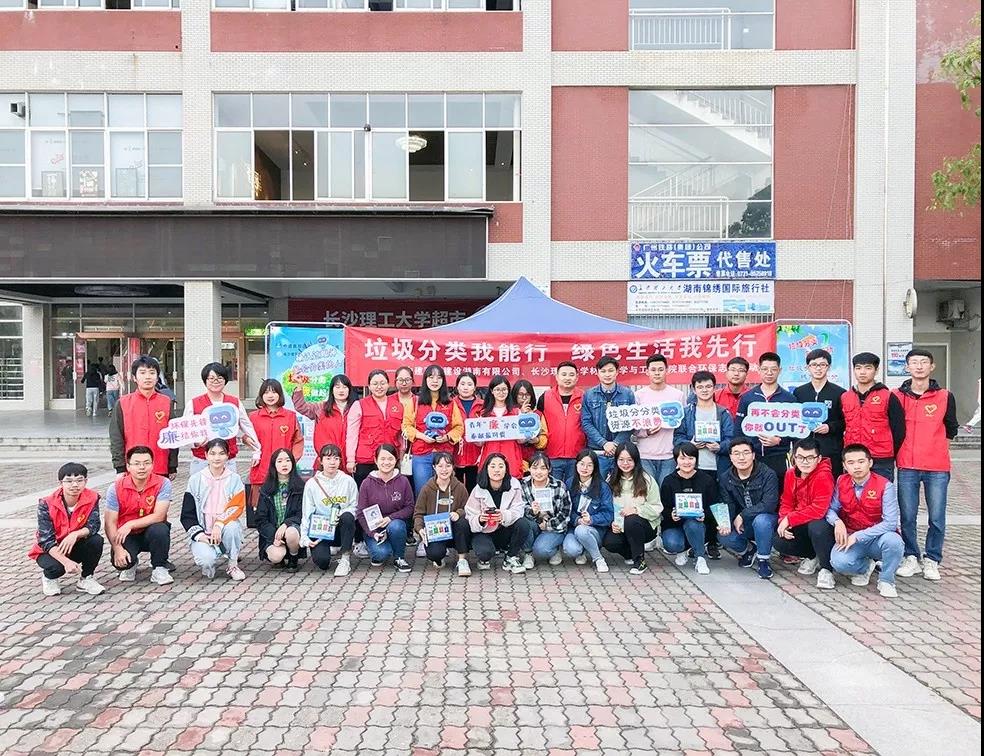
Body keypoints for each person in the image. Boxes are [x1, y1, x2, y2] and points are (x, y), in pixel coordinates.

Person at [894, 348, 958, 581]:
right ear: (907, 367)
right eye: (914, 362)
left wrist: (937, 448)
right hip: (907, 465)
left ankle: (932, 559)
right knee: (907, 516)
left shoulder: (945, 396)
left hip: (937, 467)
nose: (919, 366)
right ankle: (911, 556)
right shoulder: (896, 396)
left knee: (937, 517)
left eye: (924, 362)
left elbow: (951, 427)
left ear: (932, 367)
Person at [827, 444, 905, 598]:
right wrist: (837, 521)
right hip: (851, 535)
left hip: (877, 537)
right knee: (838, 562)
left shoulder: (885, 485)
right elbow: (830, 509)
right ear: (844, 466)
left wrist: (859, 536)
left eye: (861, 461)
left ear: (870, 463)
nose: (856, 466)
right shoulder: (841, 481)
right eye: (851, 463)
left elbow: (890, 523)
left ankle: (886, 580)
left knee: (894, 542)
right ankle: (866, 567)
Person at [29, 462, 106, 596]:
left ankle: (86, 579)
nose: (74, 485)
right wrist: (66, 562)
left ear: (86, 481)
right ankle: (49, 578)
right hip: (50, 549)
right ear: (61, 483)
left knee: (96, 540)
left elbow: (94, 525)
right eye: (69, 481)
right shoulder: (46, 504)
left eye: (79, 480)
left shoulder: (92, 498)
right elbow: (45, 540)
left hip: (74, 544)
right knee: (57, 568)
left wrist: (75, 534)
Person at [104, 445, 174, 585]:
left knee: (160, 529)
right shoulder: (115, 488)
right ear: (128, 466)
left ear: (152, 465)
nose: (142, 467)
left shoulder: (163, 483)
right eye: (136, 463)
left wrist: (131, 524)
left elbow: (159, 515)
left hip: (150, 531)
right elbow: (109, 522)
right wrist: (117, 549)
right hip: (126, 535)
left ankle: (159, 568)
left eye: (146, 463)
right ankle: (132, 563)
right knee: (122, 564)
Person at [773, 438, 837, 589]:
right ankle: (812, 556)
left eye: (810, 458)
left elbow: (819, 509)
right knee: (779, 540)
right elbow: (786, 501)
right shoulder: (790, 474)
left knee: (817, 527)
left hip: (822, 522)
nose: (805, 462)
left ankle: (827, 569)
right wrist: (784, 520)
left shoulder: (824, 475)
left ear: (818, 458)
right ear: (794, 457)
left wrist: (790, 519)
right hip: (800, 521)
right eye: (800, 457)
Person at [181, 438, 247, 581]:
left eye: (221, 453)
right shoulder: (195, 480)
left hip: (224, 527)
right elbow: (187, 515)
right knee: (206, 560)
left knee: (233, 527)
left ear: (227, 455)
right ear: (206, 455)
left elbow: (236, 506)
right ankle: (209, 560)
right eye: (212, 453)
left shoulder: (235, 479)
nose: (217, 458)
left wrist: (219, 524)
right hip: (203, 530)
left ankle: (233, 564)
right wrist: (200, 536)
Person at [716, 436, 779, 579]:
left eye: (746, 452)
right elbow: (727, 503)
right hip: (743, 524)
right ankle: (749, 550)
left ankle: (763, 561)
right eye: (736, 453)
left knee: (761, 521)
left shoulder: (768, 474)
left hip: (768, 519)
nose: (741, 457)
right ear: (730, 457)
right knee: (723, 536)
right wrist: (725, 522)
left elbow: (769, 504)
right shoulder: (726, 477)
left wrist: (743, 515)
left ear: (753, 455)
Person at [736, 352, 798, 493]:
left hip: (779, 456)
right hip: (754, 457)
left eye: (773, 369)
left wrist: (779, 440)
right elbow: (739, 430)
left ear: (779, 370)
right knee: (754, 494)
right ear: (759, 370)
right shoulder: (747, 398)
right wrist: (745, 452)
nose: (769, 373)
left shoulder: (789, 399)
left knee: (780, 493)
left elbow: (796, 432)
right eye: (765, 369)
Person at [184, 362, 260, 476]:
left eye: (220, 378)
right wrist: (195, 442)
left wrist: (256, 450)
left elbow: (246, 426)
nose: (216, 381)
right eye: (211, 378)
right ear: (205, 380)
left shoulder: (234, 402)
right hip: (202, 460)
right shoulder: (193, 404)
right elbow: (185, 431)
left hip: (228, 461)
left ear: (225, 380)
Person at [109, 355, 178, 479]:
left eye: (152, 373)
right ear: (134, 377)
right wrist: (120, 467)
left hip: (160, 466)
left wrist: (172, 465)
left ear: (157, 377)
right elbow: (116, 437)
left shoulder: (166, 402)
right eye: (142, 372)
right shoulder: (123, 403)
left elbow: (173, 434)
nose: (147, 377)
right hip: (132, 468)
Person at [247, 379, 304, 528]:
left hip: (283, 473)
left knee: (284, 508)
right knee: (261, 512)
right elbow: (246, 437)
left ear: (280, 394)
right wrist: (247, 441)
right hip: (261, 469)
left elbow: (298, 441)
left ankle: (284, 534)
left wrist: (290, 462)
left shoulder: (290, 416)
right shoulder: (253, 417)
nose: (270, 395)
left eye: (274, 392)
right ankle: (266, 538)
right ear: (261, 395)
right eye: (266, 392)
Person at [841, 352, 906, 481]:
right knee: (853, 493)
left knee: (881, 492)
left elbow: (899, 430)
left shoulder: (888, 396)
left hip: (881, 459)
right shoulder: (845, 397)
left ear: (876, 371)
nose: (862, 372)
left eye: (868, 368)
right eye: (858, 368)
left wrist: (889, 452)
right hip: (853, 458)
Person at [464, 453, 533, 574]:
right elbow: (469, 514)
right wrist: (480, 519)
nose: (497, 470)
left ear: (506, 469)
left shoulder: (514, 485)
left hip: (504, 529)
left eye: (501, 466)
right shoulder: (478, 489)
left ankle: (511, 557)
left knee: (523, 524)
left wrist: (504, 515)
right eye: (493, 466)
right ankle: (484, 558)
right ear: (486, 469)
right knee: (484, 553)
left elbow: (518, 509)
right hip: (485, 531)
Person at [602, 441, 662, 574]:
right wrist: (612, 523)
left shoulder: (647, 480)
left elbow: (657, 507)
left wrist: (636, 510)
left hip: (644, 526)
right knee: (609, 542)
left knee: (631, 519)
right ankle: (630, 553)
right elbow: (606, 506)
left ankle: (639, 561)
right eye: (621, 459)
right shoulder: (611, 480)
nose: (625, 463)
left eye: (629, 460)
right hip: (619, 525)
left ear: (636, 460)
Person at [403, 364, 464, 494]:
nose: (435, 381)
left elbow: (459, 427)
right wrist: (421, 436)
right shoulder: (414, 402)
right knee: (422, 492)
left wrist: (447, 437)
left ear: (443, 380)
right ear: (425, 379)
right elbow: (406, 426)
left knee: (445, 493)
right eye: (431, 377)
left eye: (439, 377)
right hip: (421, 455)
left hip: (444, 456)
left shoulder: (450, 403)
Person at [301, 444, 361, 576]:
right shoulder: (312, 484)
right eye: (328, 458)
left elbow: (355, 507)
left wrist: (340, 514)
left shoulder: (348, 481)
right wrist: (304, 537)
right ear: (321, 461)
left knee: (347, 516)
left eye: (336, 458)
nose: (332, 462)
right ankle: (329, 550)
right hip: (322, 530)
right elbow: (307, 513)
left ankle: (345, 558)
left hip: (341, 528)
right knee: (322, 562)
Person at [659, 442, 718, 575]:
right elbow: (663, 506)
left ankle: (700, 557)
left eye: (691, 458)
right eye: (682, 458)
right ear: (676, 460)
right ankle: (682, 550)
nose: (687, 462)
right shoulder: (669, 480)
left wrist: (705, 514)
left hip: (699, 525)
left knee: (693, 523)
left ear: (696, 459)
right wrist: (670, 514)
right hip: (675, 525)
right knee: (672, 543)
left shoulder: (706, 480)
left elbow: (714, 505)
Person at [357, 443, 414, 572]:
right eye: (382, 459)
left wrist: (390, 518)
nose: (386, 462)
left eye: (390, 459)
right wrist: (372, 533)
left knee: (396, 526)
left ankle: (399, 557)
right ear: (375, 460)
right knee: (381, 554)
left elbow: (410, 507)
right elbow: (360, 513)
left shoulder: (403, 481)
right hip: (374, 529)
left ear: (396, 460)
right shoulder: (367, 483)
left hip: (395, 524)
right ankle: (381, 548)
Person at [412, 451, 471, 575]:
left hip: (455, 531)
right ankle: (439, 559)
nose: (444, 470)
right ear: (434, 467)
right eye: (440, 466)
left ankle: (462, 560)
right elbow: (418, 513)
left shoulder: (460, 487)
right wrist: (420, 529)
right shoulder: (427, 489)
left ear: (453, 467)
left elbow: (468, 509)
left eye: (448, 466)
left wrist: (458, 513)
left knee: (462, 522)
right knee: (435, 553)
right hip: (436, 532)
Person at [793, 349, 847, 478]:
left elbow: (845, 421)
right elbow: (793, 419)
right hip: (804, 451)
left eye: (823, 365)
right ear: (808, 367)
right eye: (814, 365)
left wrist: (830, 427)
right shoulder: (799, 392)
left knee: (830, 483)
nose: (818, 368)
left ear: (829, 367)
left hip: (830, 450)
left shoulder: (839, 393)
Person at [346, 370, 405, 486]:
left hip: (390, 460)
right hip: (366, 459)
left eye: (382, 383)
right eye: (375, 383)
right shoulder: (359, 405)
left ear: (388, 384)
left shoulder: (398, 406)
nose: (379, 387)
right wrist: (350, 459)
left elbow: (401, 435)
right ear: (369, 386)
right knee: (365, 492)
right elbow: (352, 435)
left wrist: (401, 455)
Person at [634, 354, 686, 486]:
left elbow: (683, 425)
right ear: (647, 372)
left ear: (667, 370)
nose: (657, 373)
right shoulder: (638, 396)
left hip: (669, 455)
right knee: (648, 492)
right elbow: (632, 426)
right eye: (653, 370)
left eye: (660, 369)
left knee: (666, 492)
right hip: (644, 455)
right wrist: (646, 431)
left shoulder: (678, 395)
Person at [581, 356, 636, 479]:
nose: (607, 374)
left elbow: (631, 422)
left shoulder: (627, 394)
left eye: (611, 370)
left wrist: (615, 444)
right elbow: (586, 423)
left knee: (622, 485)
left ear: (617, 372)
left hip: (622, 451)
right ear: (597, 373)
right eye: (603, 371)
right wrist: (604, 443)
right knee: (598, 485)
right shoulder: (589, 395)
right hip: (597, 450)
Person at [561, 450, 613, 573]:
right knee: (571, 549)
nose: (585, 468)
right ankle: (583, 551)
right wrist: (577, 520)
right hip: (575, 527)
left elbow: (609, 514)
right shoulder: (569, 483)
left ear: (595, 467)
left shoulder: (603, 487)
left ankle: (598, 558)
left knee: (582, 531)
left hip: (594, 530)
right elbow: (565, 509)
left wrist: (591, 520)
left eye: (589, 465)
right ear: (576, 465)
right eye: (582, 464)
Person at [519, 451, 572, 567]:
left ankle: (554, 549)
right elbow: (520, 507)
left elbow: (565, 513)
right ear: (529, 468)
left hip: (554, 526)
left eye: (543, 468)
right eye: (535, 468)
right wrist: (532, 511)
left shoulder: (559, 486)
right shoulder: (523, 484)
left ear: (549, 469)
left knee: (541, 550)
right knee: (522, 522)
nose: (538, 472)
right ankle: (528, 553)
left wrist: (547, 525)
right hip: (534, 523)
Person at [292, 373, 354, 472]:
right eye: (337, 387)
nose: (341, 390)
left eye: (344, 387)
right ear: (332, 390)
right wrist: (299, 387)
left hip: (349, 464)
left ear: (349, 390)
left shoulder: (356, 409)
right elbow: (302, 407)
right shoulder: (321, 408)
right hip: (325, 462)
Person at [255, 448, 304, 570]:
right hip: (273, 533)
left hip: (292, 529)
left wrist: (286, 524)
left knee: (291, 532)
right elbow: (261, 519)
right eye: (280, 461)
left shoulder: (300, 487)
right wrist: (273, 536)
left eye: (287, 460)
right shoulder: (266, 489)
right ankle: (280, 556)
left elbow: (301, 514)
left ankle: (293, 557)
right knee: (276, 556)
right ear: (274, 465)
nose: (284, 464)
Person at [537, 361, 586, 484]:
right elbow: (538, 423)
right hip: (552, 455)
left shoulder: (585, 397)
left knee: (575, 490)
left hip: (577, 456)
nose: (567, 378)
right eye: (564, 374)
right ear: (557, 377)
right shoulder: (545, 397)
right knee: (553, 489)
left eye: (571, 375)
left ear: (577, 377)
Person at [475, 375, 524, 476]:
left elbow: (521, 440)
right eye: (497, 389)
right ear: (492, 391)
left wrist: (526, 434)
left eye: (504, 389)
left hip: (511, 456)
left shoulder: (516, 412)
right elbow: (480, 443)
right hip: (490, 456)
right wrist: (472, 436)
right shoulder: (484, 414)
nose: (501, 392)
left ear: (508, 390)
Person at [452, 372, 483, 491]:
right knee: (457, 489)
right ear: (457, 386)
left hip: (476, 454)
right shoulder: (450, 404)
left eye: (470, 384)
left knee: (474, 488)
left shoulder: (483, 405)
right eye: (462, 384)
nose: (466, 387)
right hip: (456, 453)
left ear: (475, 387)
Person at [513, 379, 549, 473]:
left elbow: (544, 437)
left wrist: (537, 440)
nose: (524, 398)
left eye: (527, 395)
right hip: (515, 457)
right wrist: (520, 413)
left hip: (533, 460)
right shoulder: (510, 414)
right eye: (520, 394)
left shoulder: (538, 414)